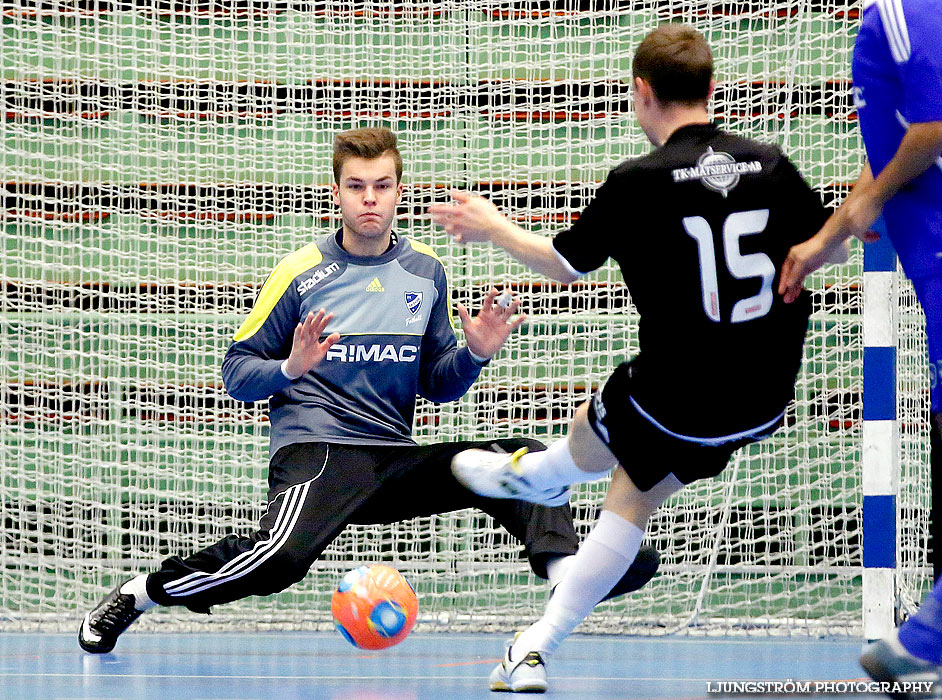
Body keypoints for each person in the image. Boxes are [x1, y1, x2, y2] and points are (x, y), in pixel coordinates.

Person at [77, 127, 658, 655]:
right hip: (319, 452)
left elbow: (437, 382)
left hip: (392, 459)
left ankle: (565, 572)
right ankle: (143, 593)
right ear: (336, 194)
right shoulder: (301, 272)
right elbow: (236, 372)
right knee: (280, 560)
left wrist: (476, 352)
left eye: (382, 185)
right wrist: (291, 367)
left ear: (399, 190)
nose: (370, 198)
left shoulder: (426, 271)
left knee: (520, 459)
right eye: (357, 186)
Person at [430, 24, 847, 693]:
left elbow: (565, 265)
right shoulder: (772, 163)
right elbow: (836, 246)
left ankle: (542, 476)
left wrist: (490, 226)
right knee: (634, 495)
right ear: (713, 90)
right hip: (763, 398)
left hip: (676, 395)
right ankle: (531, 647)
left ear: (640, 93)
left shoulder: (639, 181)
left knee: (604, 429)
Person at [777, 0, 942, 694]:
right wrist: (823, 241)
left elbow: (933, 128)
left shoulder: (907, 14)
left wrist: (872, 205)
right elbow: (887, 161)